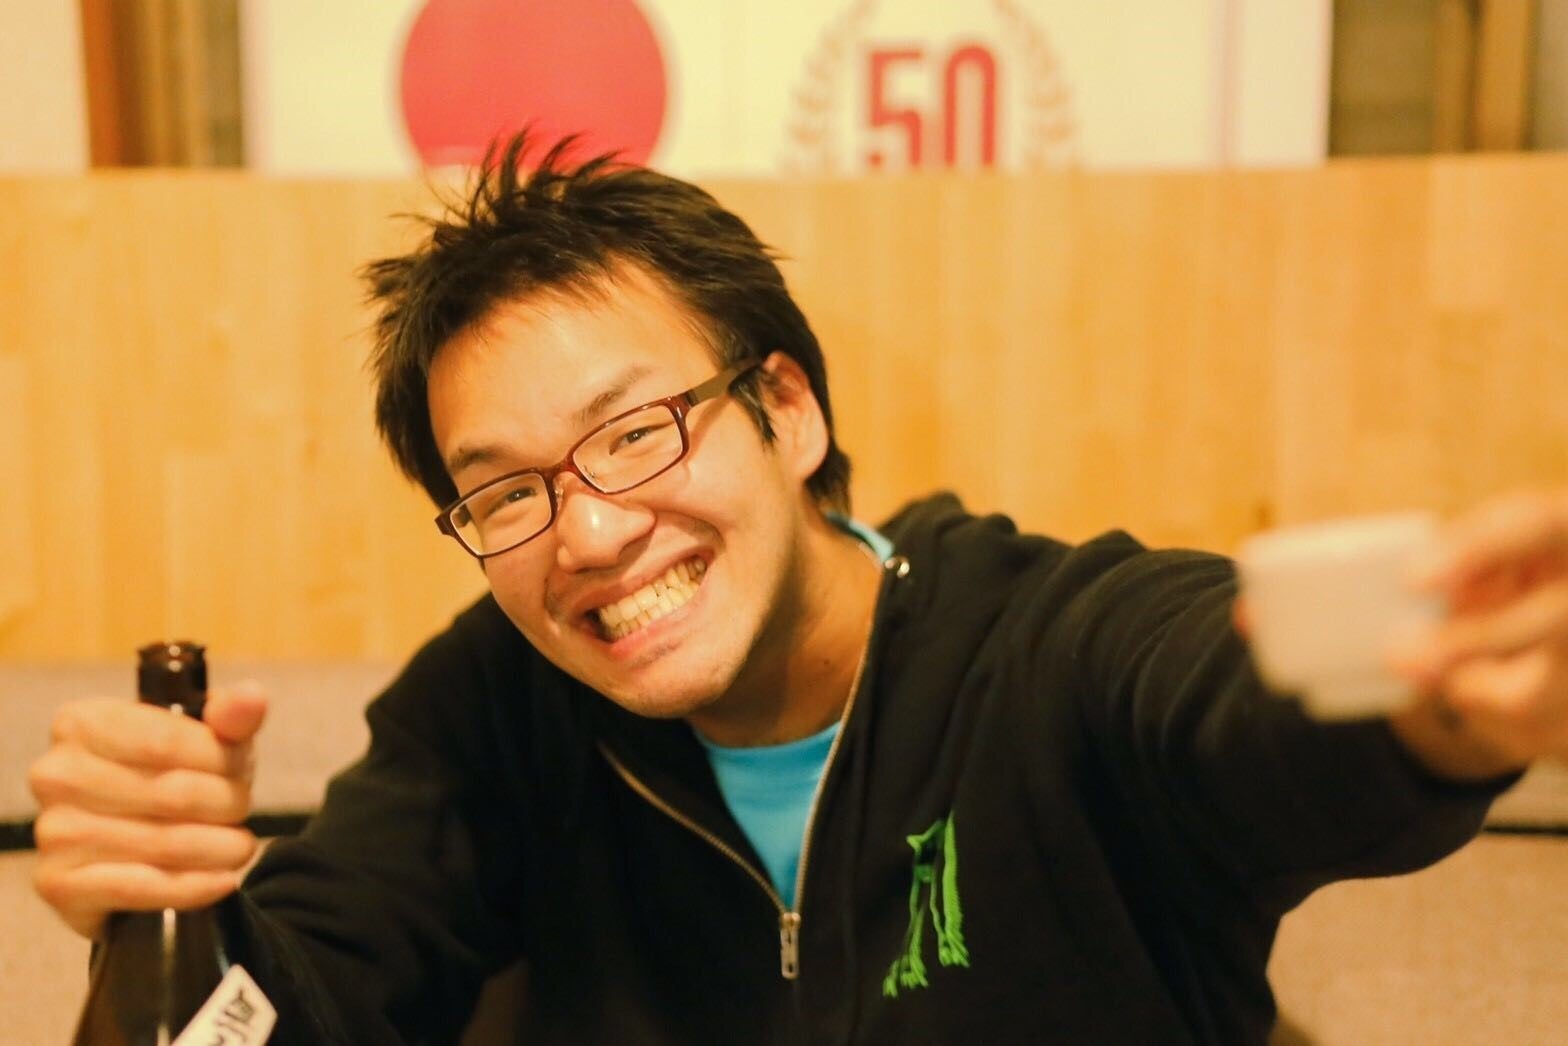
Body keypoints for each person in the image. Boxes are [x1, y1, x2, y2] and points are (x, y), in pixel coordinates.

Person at [28, 134, 1568, 1044]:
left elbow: (1232, 710)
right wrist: (160, 915)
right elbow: (304, 1001)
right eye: (503, 490)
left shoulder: (1038, 653)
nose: (589, 533)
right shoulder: (497, 705)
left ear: (788, 406)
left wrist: (1435, 702)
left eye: (634, 430)